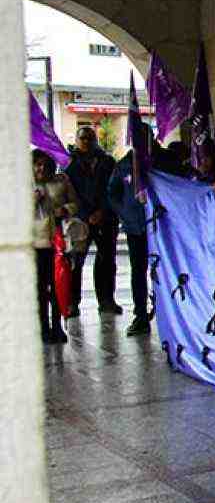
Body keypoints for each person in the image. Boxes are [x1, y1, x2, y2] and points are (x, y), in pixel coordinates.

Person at [64, 126, 122, 316]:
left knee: (107, 260)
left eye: (90, 138)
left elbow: (114, 188)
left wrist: (102, 211)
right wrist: (85, 213)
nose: (87, 142)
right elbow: (67, 192)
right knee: (75, 262)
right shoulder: (68, 164)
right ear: (77, 140)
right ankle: (73, 302)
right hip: (80, 220)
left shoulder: (108, 161)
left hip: (106, 217)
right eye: (83, 138)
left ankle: (106, 300)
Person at [33, 151, 80, 343]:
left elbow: (75, 204)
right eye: (37, 164)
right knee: (40, 289)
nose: (41, 168)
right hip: (36, 244)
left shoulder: (62, 181)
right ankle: (43, 328)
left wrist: (65, 209)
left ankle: (57, 326)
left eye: (45, 164)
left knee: (59, 287)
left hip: (59, 244)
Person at [107, 148, 152, 337]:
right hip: (135, 227)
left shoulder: (157, 162)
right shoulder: (123, 166)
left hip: (158, 227)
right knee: (138, 271)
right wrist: (125, 213)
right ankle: (140, 315)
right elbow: (112, 193)